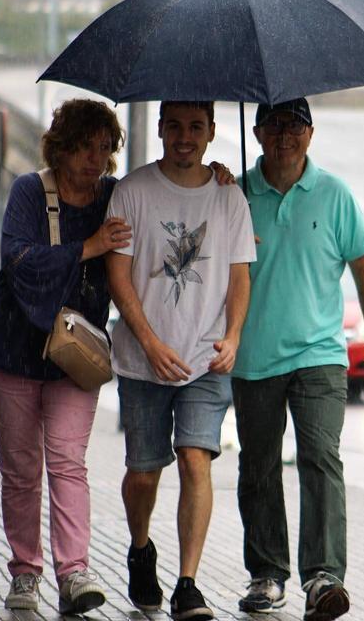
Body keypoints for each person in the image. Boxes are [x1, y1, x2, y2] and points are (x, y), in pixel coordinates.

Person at [232, 98, 364, 621]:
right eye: (275, 125)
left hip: (319, 355)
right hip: (253, 356)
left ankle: (324, 575)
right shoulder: (233, 195)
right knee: (257, 466)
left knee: (321, 457)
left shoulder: (335, 195)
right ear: (256, 132)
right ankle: (267, 574)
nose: (285, 135)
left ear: (310, 133)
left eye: (295, 125)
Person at [0, 99, 130, 616]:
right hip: (12, 352)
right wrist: (88, 246)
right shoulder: (29, 191)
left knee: (67, 462)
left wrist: (217, 183)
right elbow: (18, 261)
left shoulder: (116, 196)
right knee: (21, 470)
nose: (96, 158)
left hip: (74, 355)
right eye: (86, 147)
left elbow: (166, 208)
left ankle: (74, 572)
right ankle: (25, 572)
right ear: (61, 147)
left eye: (105, 148)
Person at [105, 101, 255, 621]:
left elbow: (240, 276)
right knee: (144, 472)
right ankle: (141, 548)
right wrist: (147, 341)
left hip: (207, 359)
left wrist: (233, 336)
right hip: (142, 360)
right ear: (162, 128)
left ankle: (188, 583)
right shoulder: (132, 192)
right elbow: (118, 275)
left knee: (196, 460)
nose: (184, 136)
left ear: (213, 131)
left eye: (196, 127)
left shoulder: (229, 196)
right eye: (174, 126)